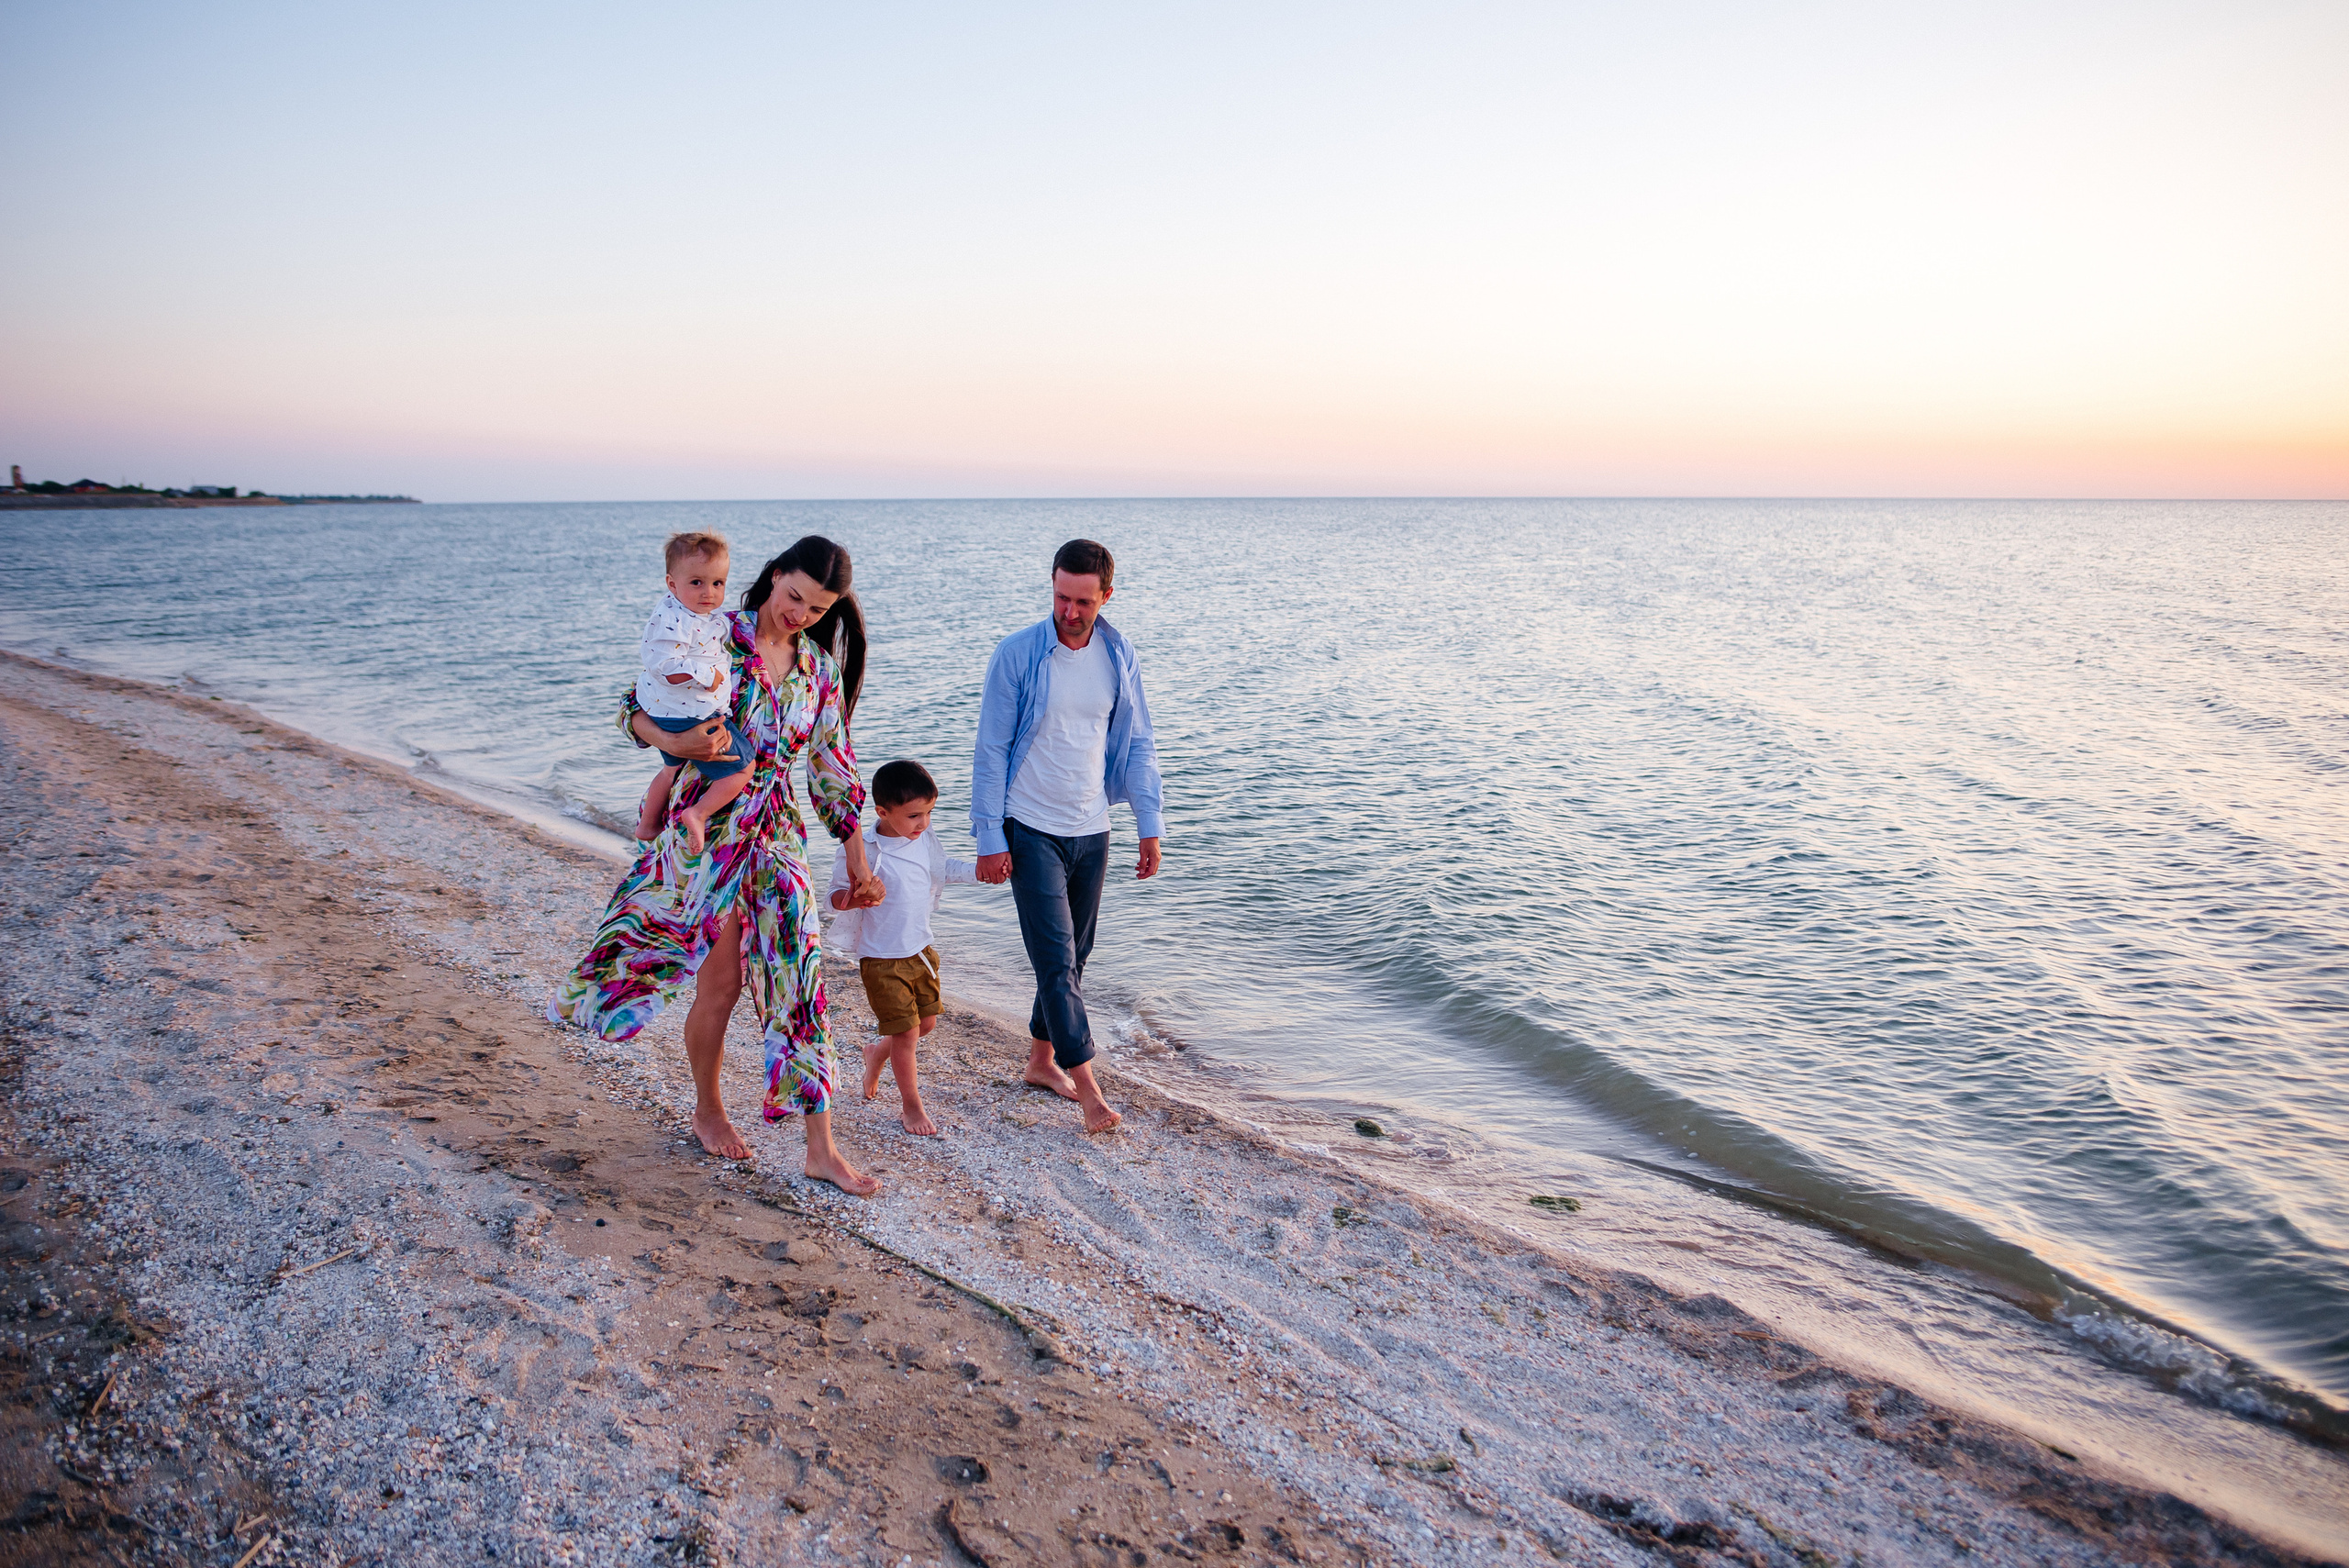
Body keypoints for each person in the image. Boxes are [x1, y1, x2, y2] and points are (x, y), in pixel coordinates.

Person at [550, 535, 886, 1194]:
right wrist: (672, 739)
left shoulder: (818, 671)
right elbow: (633, 706)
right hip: (708, 828)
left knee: (802, 978)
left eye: (817, 610)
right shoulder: (713, 634)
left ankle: (821, 1146)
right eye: (794, 598)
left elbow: (833, 772)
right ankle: (708, 1107)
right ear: (773, 577)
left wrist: (857, 865)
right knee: (723, 985)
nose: (800, 615)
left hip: (778, 831)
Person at [971, 539, 1163, 1135]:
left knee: (1074, 960)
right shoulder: (1019, 655)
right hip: (1029, 828)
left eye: (1083, 600)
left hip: (1092, 830)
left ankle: (1039, 1061)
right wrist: (988, 837)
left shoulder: (1118, 654)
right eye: (1061, 596)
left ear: (1107, 595)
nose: (1070, 611)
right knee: (1056, 963)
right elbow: (991, 748)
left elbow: (1136, 742)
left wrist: (1148, 824)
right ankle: (1089, 1093)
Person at [827, 758, 985, 1138]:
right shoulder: (862, 850)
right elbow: (833, 894)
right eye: (915, 815)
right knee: (908, 1034)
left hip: (921, 951)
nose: (923, 823)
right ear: (882, 811)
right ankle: (911, 1107)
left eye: (929, 813)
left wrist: (980, 870)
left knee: (925, 1023)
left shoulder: (924, 839)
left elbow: (941, 869)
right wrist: (854, 899)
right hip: (882, 959)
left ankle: (875, 1053)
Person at [632, 531, 752, 857]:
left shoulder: (686, 613)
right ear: (672, 584)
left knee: (670, 769)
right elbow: (664, 665)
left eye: (718, 583)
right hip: (687, 714)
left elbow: (711, 632)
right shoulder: (673, 620)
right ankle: (697, 813)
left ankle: (647, 825)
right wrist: (706, 675)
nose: (709, 593)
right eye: (697, 582)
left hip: (668, 712)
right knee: (745, 769)